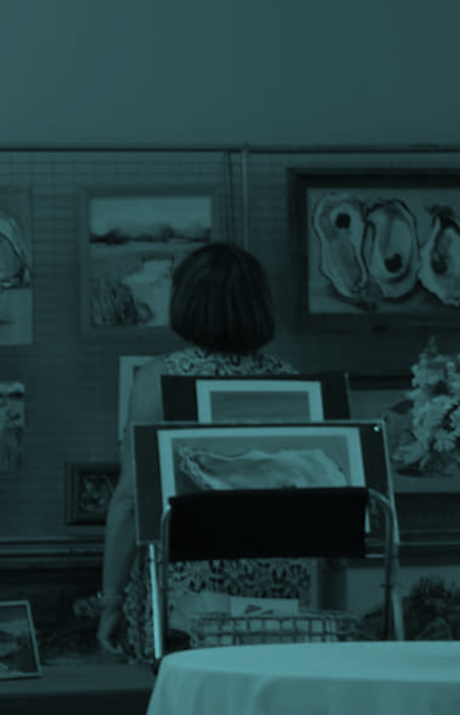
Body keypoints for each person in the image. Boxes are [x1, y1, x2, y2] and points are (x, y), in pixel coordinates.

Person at [94, 243, 317, 663]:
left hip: (188, 588)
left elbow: (130, 499)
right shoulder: (289, 379)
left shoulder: (158, 379)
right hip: (281, 585)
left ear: (186, 301)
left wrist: (111, 599)